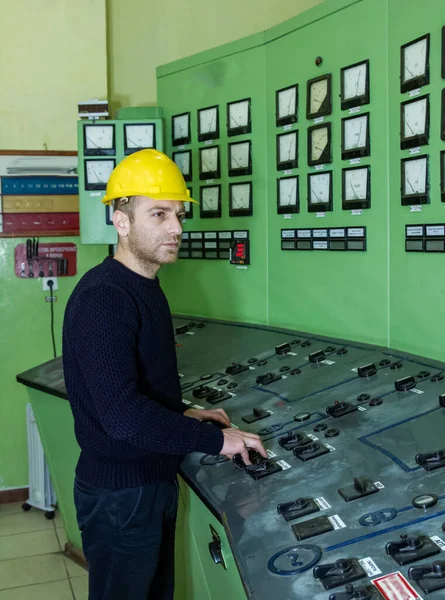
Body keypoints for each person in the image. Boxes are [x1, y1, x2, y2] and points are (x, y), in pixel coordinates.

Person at [62, 149, 266, 600]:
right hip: (122, 494)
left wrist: (185, 413)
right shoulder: (105, 298)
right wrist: (217, 440)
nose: (176, 227)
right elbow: (122, 416)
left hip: (148, 481)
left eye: (178, 214)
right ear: (121, 220)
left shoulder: (144, 286)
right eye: (159, 214)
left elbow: (135, 385)